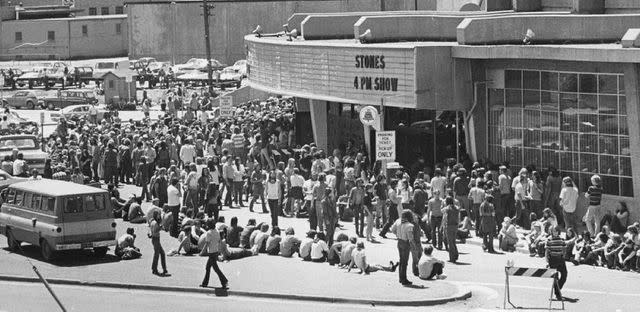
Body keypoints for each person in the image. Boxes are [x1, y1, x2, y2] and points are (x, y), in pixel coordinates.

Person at [391, 210, 418, 285]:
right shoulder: (409, 225)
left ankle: (400, 278)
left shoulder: (398, 221)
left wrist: (397, 235)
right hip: (405, 243)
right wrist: (414, 246)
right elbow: (410, 238)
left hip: (399, 242)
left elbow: (392, 230)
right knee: (405, 262)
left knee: (401, 261)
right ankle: (404, 279)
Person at [200, 219, 228, 288]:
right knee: (208, 268)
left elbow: (207, 244)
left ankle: (224, 281)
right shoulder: (217, 231)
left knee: (216, 269)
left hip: (211, 253)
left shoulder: (209, 233)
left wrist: (202, 252)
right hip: (215, 252)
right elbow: (219, 241)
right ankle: (204, 283)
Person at [545, 226, 568, 301]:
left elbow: (564, 248)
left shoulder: (561, 239)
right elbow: (547, 251)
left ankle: (558, 289)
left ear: (558, 231)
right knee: (555, 277)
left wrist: (563, 256)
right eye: (553, 231)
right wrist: (547, 261)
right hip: (553, 259)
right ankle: (557, 294)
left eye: (556, 231)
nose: (554, 232)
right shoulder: (549, 239)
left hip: (560, 259)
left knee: (564, 275)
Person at [149, 210, 168, 276]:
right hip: (156, 239)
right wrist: (160, 227)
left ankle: (163, 269)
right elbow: (155, 231)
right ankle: (155, 269)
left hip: (155, 239)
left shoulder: (152, 221)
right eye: (158, 214)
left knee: (161, 253)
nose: (159, 216)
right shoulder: (155, 223)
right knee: (157, 254)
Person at [441, 196, 459, 262]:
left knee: (450, 242)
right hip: (455, 226)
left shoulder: (447, 209)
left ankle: (452, 258)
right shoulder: (456, 208)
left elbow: (444, 217)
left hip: (449, 226)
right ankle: (456, 254)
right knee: (453, 241)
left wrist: (442, 226)